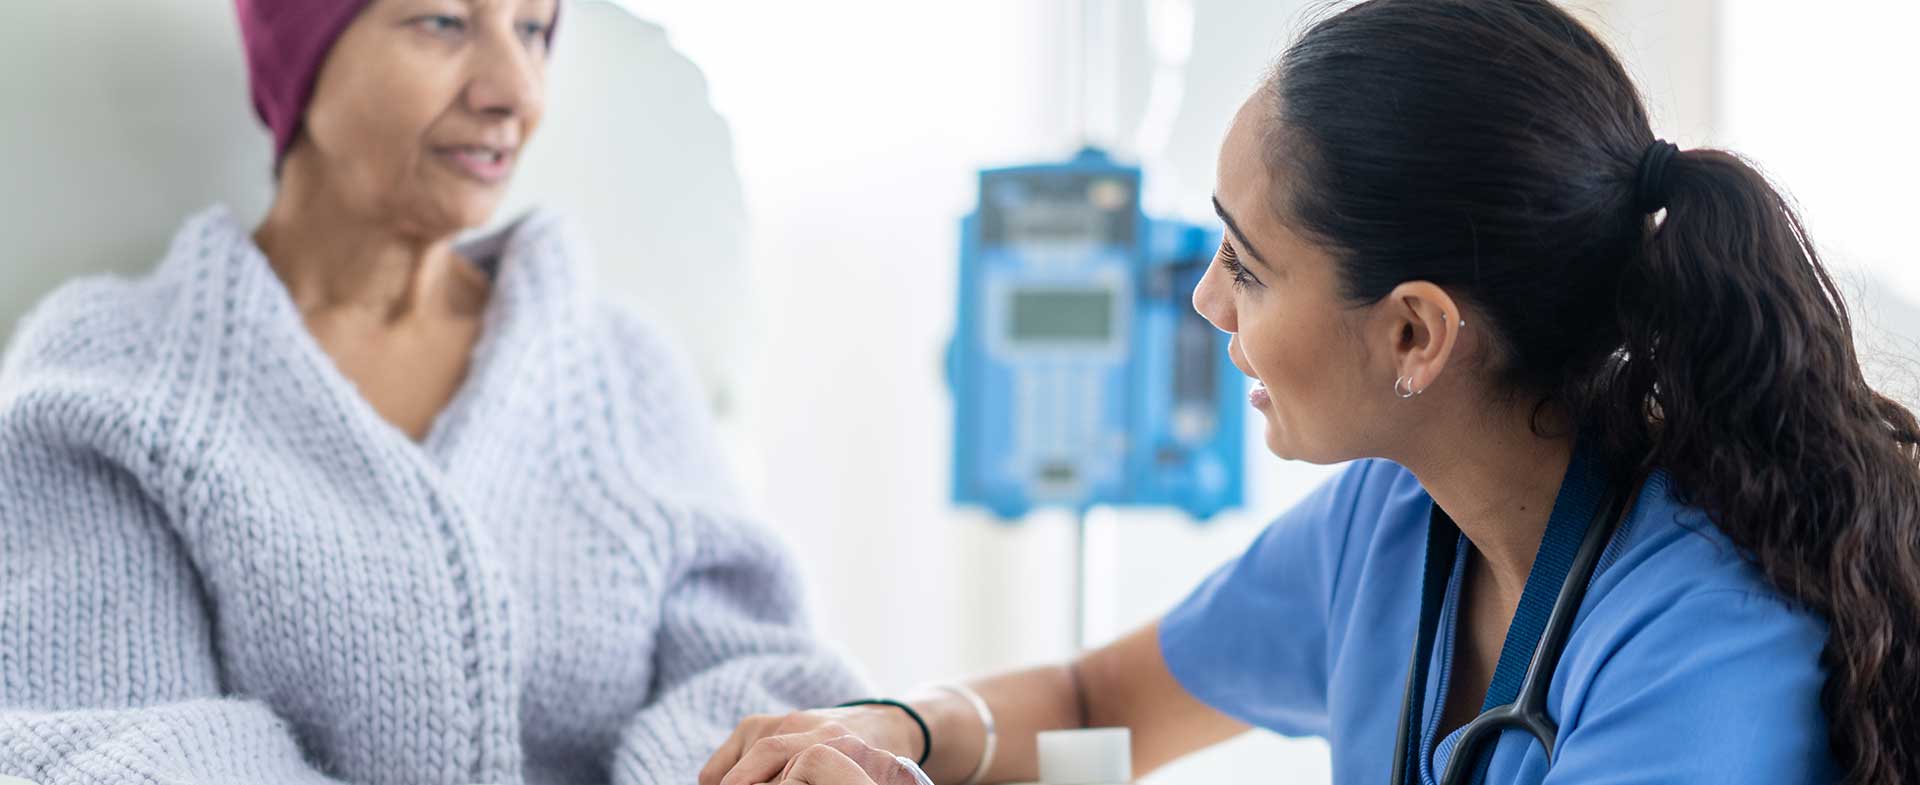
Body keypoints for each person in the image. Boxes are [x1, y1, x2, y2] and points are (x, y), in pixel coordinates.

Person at [698, 1, 1920, 784]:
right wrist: (901, 733)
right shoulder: (1389, 529)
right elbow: (1103, 711)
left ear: (1412, 332)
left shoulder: (1703, 643)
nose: (1205, 306)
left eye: (1246, 264)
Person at [0, 1, 863, 783]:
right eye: (444, 23)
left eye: (533, 29)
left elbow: (743, 682)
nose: (515, 91)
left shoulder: (623, 369)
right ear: (304, 55)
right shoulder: (107, 373)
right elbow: (117, 733)